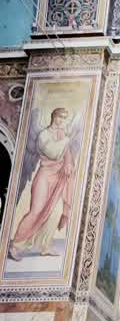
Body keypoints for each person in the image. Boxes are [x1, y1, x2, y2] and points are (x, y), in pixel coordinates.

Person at [9, 106, 80, 262]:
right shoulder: (44, 134)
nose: (61, 121)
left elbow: (67, 156)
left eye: (64, 118)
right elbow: (53, 152)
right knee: (36, 210)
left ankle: (44, 245)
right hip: (44, 177)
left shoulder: (62, 136)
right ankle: (15, 245)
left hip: (58, 178)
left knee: (56, 211)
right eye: (59, 117)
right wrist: (66, 139)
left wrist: (69, 164)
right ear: (53, 117)